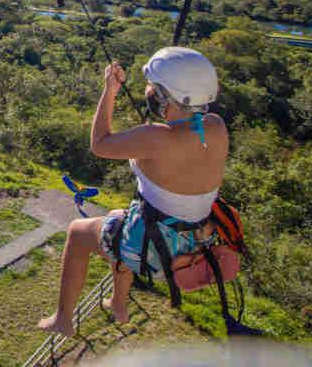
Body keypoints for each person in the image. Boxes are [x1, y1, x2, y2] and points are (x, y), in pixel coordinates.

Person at [39, 46, 228, 337]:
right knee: (117, 218)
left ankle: (63, 320)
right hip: (196, 241)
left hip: (156, 253)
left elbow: (100, 143)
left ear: (164, 97)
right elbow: (180, 140)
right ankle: (118, 304)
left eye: (152, 88)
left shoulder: (155, 138)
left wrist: (110, 91)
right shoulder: (216, 127)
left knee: (78, 232)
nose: (148, 91)